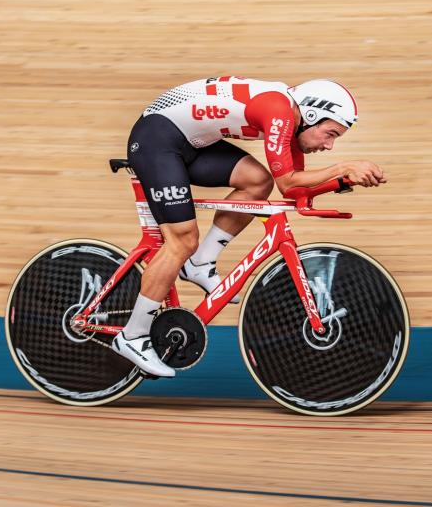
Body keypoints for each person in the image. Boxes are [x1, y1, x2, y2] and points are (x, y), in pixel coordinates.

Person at [110, 76, 387, 377]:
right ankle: (133, 336)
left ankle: (200, 265)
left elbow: (292, 191)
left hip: (191, 143)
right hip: (157, 140)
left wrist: (340, 183)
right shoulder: (279, 111)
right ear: (310, 115)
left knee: (257, 182)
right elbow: (289, 181)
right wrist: (343, 167)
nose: (330, 146)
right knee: (181, 240)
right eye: (330, 134)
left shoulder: (292, 121)